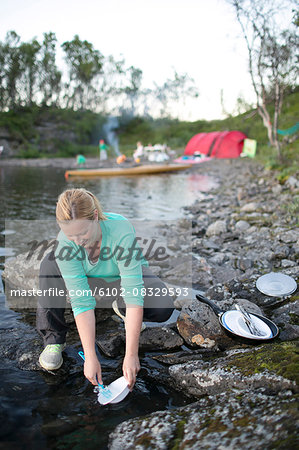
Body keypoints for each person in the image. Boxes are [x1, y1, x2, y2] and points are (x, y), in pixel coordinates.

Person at [37, 188, 174, 389]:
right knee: (49, 263)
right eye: (71, 235)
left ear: (94, 217)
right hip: (89, 279)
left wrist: (131, 355)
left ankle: (121, 309)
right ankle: (54, 339)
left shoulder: (120, 229)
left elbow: (134, 294)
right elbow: (81, 301)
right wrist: (90, 357)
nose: (79, 241)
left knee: (163, 306)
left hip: (118, 277)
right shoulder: (66, 243)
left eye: (83, 232)